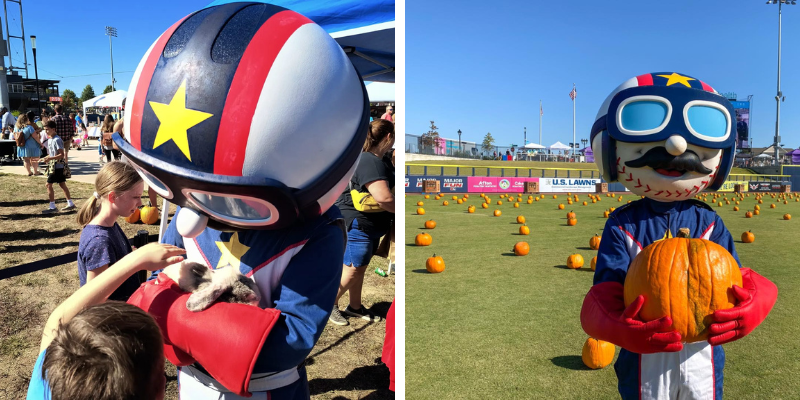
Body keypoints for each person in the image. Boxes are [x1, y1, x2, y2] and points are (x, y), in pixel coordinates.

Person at [119, 3, 371, 398]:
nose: (192, 218)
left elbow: (289, 340)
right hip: (193, 383)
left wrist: (173, 313)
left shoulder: (316, 235)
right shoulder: (190, 211)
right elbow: (156, 281)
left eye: (230, 201)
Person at [581, 72, 778, 399]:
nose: (676, 146)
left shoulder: (710, 222)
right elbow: (604, 294)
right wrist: (615, 326)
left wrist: (761, 297)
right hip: (645, 361)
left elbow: (737, 282)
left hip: (702, 358)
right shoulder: (623, 224)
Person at [26, 243, 185, 400]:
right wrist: (136, 260)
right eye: (160, 372)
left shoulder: (48, 382)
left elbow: (57, 320)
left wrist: (138, 258)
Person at [330, 119, 395, 326]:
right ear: (387, 137)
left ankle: (355, 307)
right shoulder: (369, 160)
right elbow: (383, 198)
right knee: (353, 269)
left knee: (360, 267)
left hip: (370, 225)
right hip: (359, 224)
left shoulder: (379, 159)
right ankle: (328, 305)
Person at [76, 161, 145, 301]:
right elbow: (94, 300)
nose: (140, 203)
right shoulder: (99, 241)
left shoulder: (110, 225)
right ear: (112, 197)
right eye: (135, 197)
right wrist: (137, 262)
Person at [39, 120, 75, 213]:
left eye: (47, 129)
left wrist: (50, 159)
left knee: (48, 184)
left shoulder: (57, 140)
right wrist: (44, 158)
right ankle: (70, 203)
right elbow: (52, 153)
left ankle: (52, 207)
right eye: (45, 130)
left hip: (57, 166)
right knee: (62, 184)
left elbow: (61, 155)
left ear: (53, 129)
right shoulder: (50, 139)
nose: (46, 132)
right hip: (54, 165)